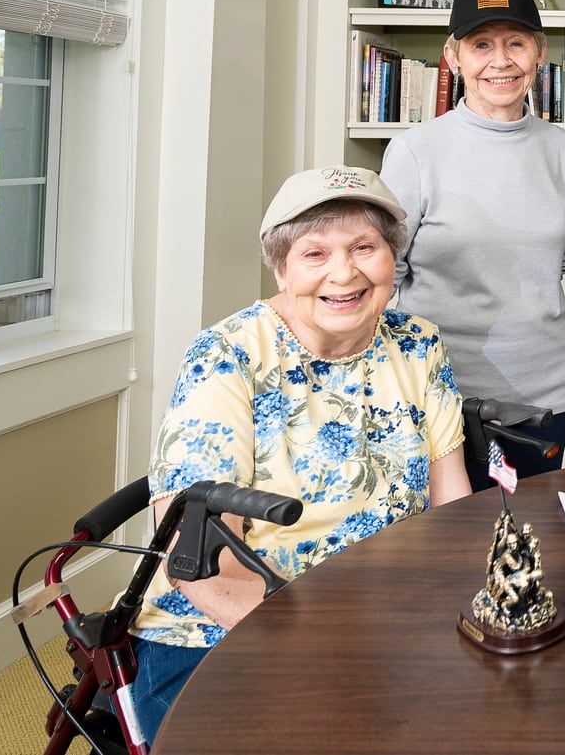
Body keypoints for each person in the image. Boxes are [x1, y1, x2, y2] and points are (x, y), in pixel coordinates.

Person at [129, 166, 472, 739]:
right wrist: (320, 650)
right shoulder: (229, 357)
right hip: (222, 632)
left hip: (384, 620)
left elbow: (451, 505)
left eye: (366, 247)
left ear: (394, 258)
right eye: (315, 254)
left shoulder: (418, 342)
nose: (345, 273)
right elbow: (199, 566)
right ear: (282, 268)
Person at [381, 0, 565, 485]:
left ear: (539, 52)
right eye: (482, 45)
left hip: (543, 394)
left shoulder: (564, 151)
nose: (501, 60)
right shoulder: (413, 153)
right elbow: (386, 274)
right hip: (440, 391)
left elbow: (560, 258)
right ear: (453, 56)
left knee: (525, 544)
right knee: (442, 555)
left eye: (516, 43)